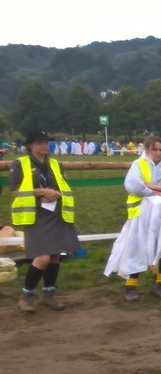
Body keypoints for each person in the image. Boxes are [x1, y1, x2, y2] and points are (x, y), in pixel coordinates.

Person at [103, 135, 161, 301]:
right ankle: (131, 286)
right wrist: (156, 191)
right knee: (137, 248)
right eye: (154, 149)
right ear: (147, 150)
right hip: (141, 214)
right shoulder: (138, 165)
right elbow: (133, 185)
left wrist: (153, 187)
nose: (158, 153)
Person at [9, 130, 80, 313]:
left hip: (56, 212)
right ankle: (26, 296)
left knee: (55, 255)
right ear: (30, 145)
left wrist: (55, 194)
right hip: (35, 214)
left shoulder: (55, 164)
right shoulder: (21, 164)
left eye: (46, 142)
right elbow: (15, 191)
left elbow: (63, 185)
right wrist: (42, 192)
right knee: (42, 258)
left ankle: (49, 294)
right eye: (39, 142)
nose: (44, 145)